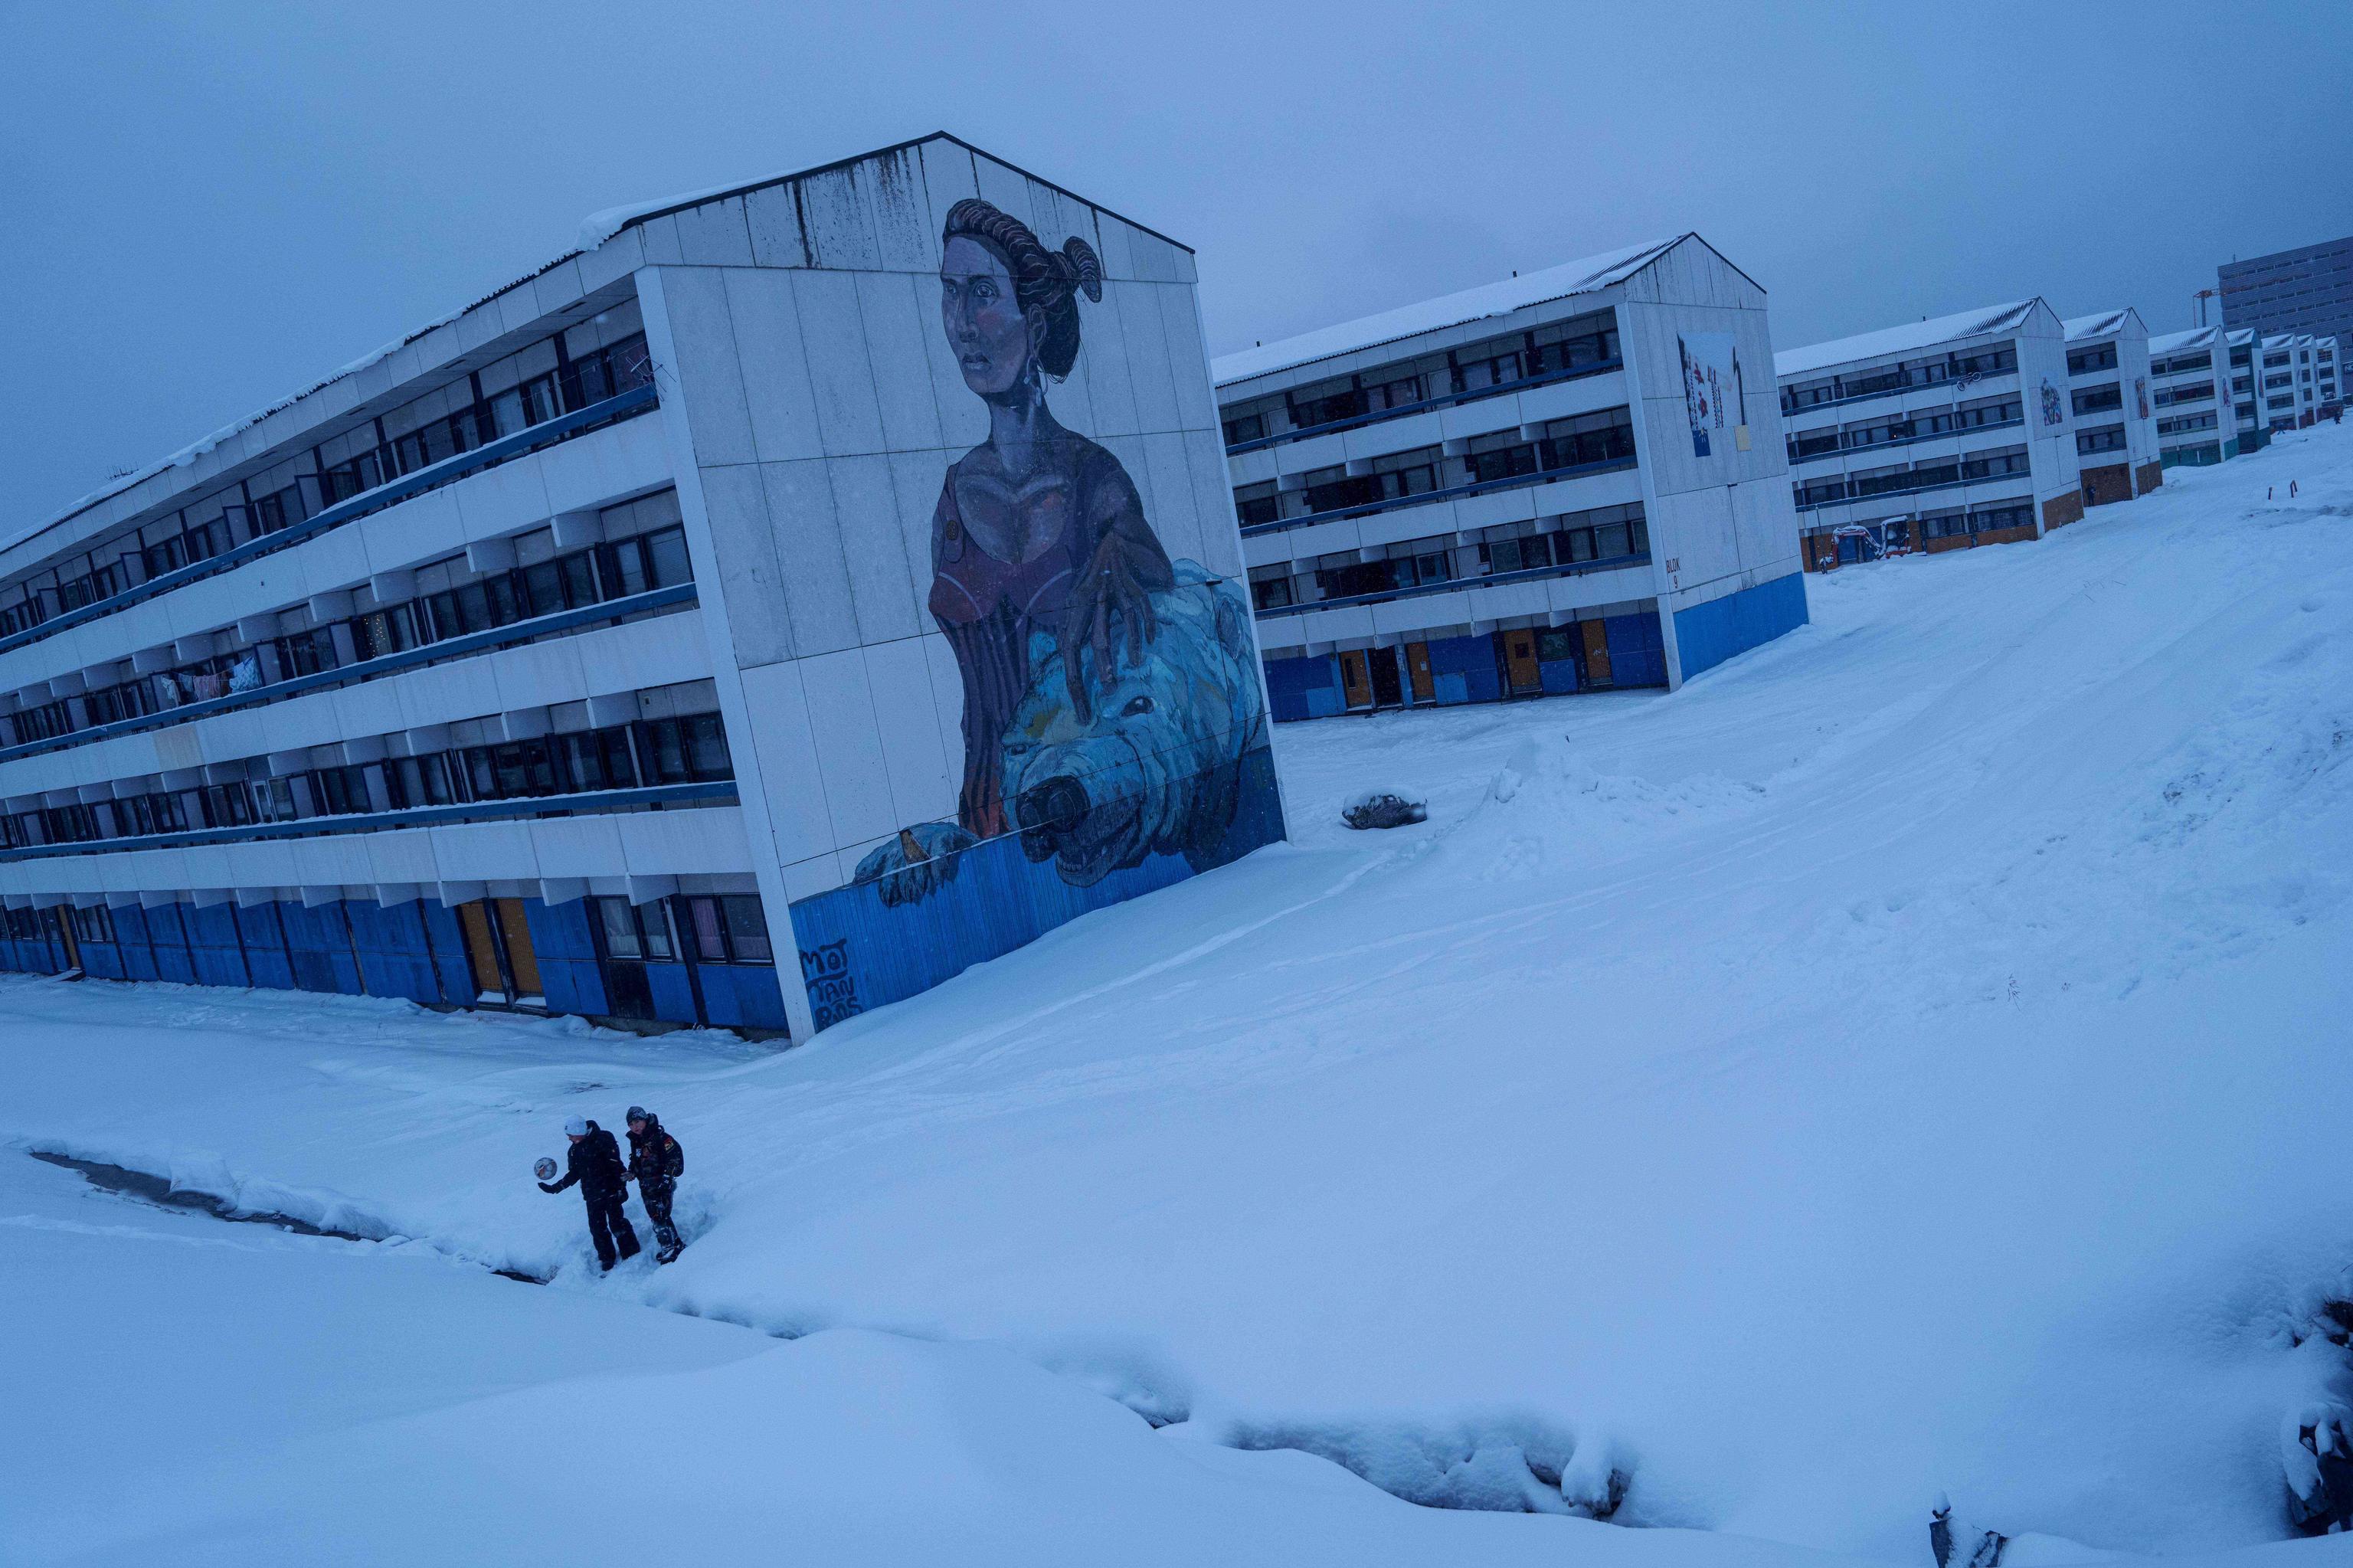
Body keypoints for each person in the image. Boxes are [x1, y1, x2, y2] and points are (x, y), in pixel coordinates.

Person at [538, 1114, 638, 1271]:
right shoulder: (574, 1151)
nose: (569, 1139)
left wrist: (621, 1187)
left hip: (611, 1190)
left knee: (617, 1223)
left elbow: (616, 1165)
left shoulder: (603, 1139)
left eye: (571, 1135)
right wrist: (556, 1188)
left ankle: (631, 1252)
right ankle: (606, 1258)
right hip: (592, 1195)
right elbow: (574, 1173)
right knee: (597, 1228)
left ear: (579, 1131)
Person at [622, 1105, 686, 1265]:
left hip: (662, 1185)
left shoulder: (661, 1138)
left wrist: (667, 1178)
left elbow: (676, 1158)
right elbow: (637, 1161)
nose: (635, 1126)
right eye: (631, 1124)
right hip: (646, 1186)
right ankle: (675, 1243)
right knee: (657, 1215)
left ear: (645, 1120)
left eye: (638, 1122)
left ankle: (668, 1248)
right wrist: (632, 1172)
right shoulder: (637, 1141)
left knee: (659, 1216)